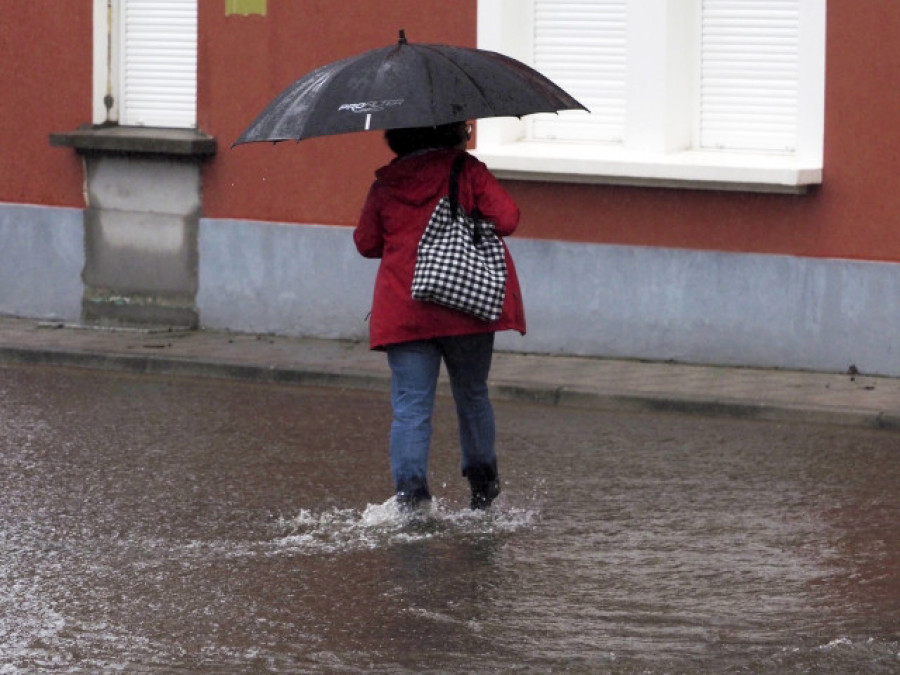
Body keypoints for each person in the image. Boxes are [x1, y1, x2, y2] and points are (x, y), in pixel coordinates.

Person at [354, 121, 526, 511]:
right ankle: (483, 490)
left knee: (411, 407)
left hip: (405, 308)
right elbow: (508, 219)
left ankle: (411, 499)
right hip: (467, 307)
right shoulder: (466, 171)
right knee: (472, 395)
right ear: (449, 128)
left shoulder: (386, 184)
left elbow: (366, 243)